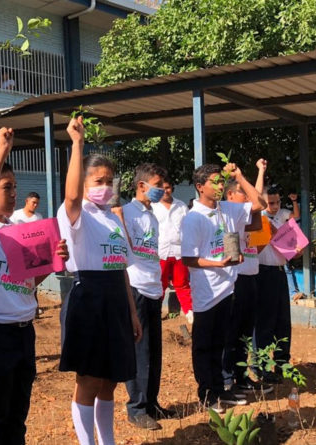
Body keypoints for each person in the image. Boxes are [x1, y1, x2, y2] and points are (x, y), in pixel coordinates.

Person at [0, 127, 68, 443]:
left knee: (16, 418)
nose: (13, 193)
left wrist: (52, 261)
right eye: (6, 186)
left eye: (15, 187)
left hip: (24, 331)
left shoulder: (18, 230)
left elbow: (26, 283)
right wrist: (1, 153)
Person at [57, 116, 142, 445]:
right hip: (88, 298)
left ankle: (107, 442)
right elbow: (73, 198)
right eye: (98, 180)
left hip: (116, 301)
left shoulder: (113, 218)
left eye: (109, 180)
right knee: (89, 379)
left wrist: (132, 312)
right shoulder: (75, 215)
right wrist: (77, 144)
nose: (104, 186)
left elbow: (121, 267)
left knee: (110, 381)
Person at [180, 163, 264, 413]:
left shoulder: (227, 209)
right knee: (204, 345)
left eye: (221, 181)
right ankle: (207, 394)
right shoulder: (193, 219)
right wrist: (218, 263)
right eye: (214, 182)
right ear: (199, 187)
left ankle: (220, 390)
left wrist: (239, 175)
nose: (219, 186)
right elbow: (188, 259)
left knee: (222, 343)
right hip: (207, 291)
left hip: (229, 288)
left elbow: (258, 203)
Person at [116, 163, 177, 430]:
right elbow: (124, 249)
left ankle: (151, 402)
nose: (162, 189)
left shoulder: (152, 215)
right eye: (157, 184)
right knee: (140, 350)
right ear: (141, 186)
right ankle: (137, 407)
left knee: (154, 351)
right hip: (136, 287)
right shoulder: (125, 213)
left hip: (154, 287)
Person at [221, 159, 273, 396]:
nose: (248, 197)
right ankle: (227, 377)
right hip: (234, 279)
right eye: (243, 192)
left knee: (244, 332)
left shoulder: (243, 217)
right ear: (230, 195)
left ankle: (241, 376)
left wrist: (256, 173)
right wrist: (239, 177)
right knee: (231, 331)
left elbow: (259, 200)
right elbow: (258, 202)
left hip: (250, 276)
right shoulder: (223, 211)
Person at [254, 187, 300, 382]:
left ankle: (282, 363)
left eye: (277, 203)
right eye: (270, 203)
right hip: (262, 273)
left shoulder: (285, 218)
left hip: (280, 272)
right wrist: (276, 235)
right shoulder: (257, 220)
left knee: (283, 322)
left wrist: (290, 243)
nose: (274, 207)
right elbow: (256, 248)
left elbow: (297, 249)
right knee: (264, 322)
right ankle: (261, 366)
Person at [152, 180, 193, 323]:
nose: (165, 191)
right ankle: (155, 311)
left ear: (172, 188)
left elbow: (188, 228)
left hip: (178, 251)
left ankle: (189, 312)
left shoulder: (181, 206)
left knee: (182, 283)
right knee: (160, 283)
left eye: (167, 187)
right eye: (161, 188)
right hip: (160, 251)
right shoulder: (153, 206)